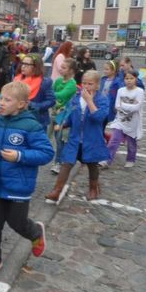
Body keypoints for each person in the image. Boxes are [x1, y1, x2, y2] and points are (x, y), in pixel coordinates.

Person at [0, 81, 53, 280]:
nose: (1, 102)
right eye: (0, 98)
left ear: (21, 104)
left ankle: (35, 233)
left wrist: (20, 156)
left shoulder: (32, 126)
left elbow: (46, 153)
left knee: (17, 222)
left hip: (19, 187)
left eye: (7, 100)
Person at [45, 70, 109, 204]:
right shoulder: (76, 98)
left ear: (97, 85)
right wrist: (63, 123)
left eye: (90, 84)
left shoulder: (102, 100)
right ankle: (57, 191)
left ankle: (93, 189)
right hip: (74, 139)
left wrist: (90, 101)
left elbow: (99, 118)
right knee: (66, 163)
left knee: (92, 165)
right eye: (84, 83)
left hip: (91, 140)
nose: (86, 86)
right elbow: (71, 115)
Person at [105, 70, 145, 168]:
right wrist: (128, 106)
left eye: (131, 78)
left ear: (136, 79)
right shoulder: (121, 90)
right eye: (127, 78)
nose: (129, 80)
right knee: (114, 140)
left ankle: (131, 159)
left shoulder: (139, 91)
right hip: (120, 121)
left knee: (131, 143)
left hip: (133, 123)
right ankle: (106, 160)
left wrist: (123, 105)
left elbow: (136, 107)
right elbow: (117, 105)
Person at [49, 58, 78, 174]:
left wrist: (49, 94)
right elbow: (52, 92)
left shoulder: (72, 84)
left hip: (65, 115)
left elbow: (61, 95)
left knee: (60, 139)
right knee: (50, 137)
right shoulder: (58, 80)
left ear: (71, 71)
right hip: (54, 113)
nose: (60, 69)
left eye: (64, 68)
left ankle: (59, 163)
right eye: (61, 67)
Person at [13, 55, 55, 131]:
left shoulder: (44, 82)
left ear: (35, 67)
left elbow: (51, 101)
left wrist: (34, 105)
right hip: (18, 119)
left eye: (27, 64)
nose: (23, 66)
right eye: (22, 63)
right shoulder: (16, 79)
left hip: (37, 121)